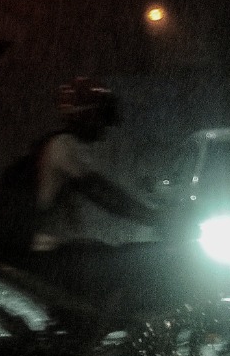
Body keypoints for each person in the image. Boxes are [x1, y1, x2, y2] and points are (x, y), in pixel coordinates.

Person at [14, 77, 163, 329]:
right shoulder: (62, 147)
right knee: (125, 270)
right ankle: (87, 348)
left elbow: (104, 191)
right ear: (86, 116)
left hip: (57, 246)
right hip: (50, 247)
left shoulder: (66, 146)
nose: (105, 128)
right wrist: (152, 216)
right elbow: (100, 192)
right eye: (101, 118)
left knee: (113, 259)